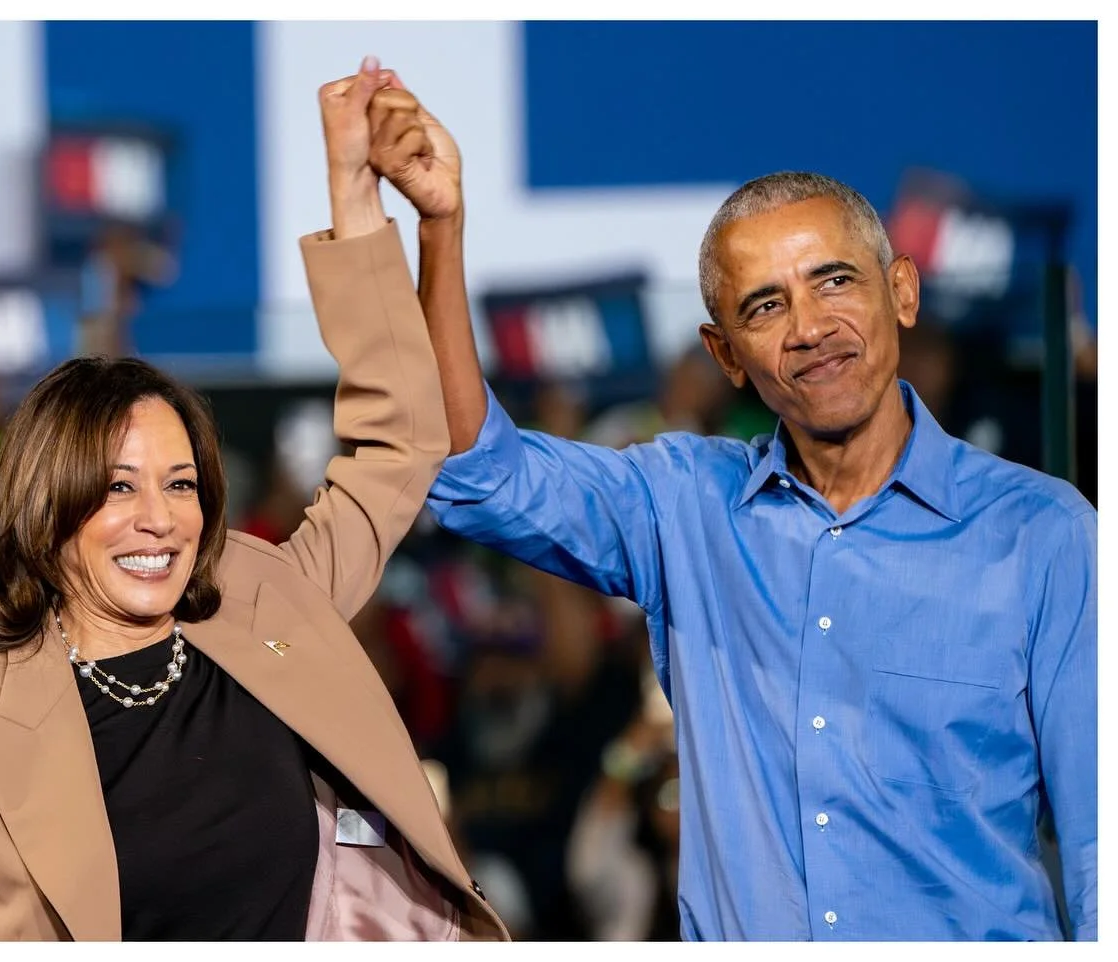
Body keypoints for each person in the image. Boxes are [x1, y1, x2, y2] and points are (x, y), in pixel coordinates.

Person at [362, 87, 1097, 940]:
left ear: (902, 291)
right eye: (765, 306)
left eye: (834, 282)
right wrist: (441, 230)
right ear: (727, 356)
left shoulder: (1042, 534)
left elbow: (1098, 849)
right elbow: (475, 471)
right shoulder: (684, 505)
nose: (810, 327)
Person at [0, 59, 508, 942]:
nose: (161, 516)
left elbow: (400, 444)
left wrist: (357, 191)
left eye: (181, 483)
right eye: (119, 487)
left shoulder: (270, 599)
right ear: (47, 512)